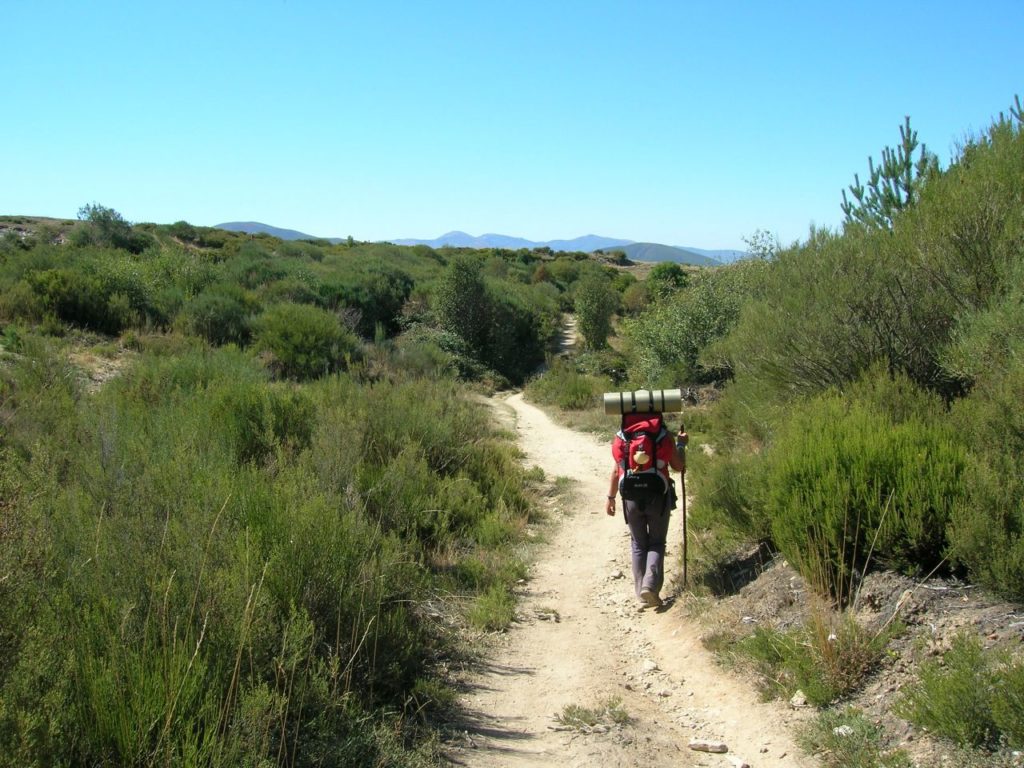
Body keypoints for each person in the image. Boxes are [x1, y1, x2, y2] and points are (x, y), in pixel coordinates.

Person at [605, 415, 687, 608]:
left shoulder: (622, 438)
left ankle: (641, 592)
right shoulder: (663, 436)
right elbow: (678, 466)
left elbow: (618, 471)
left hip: (631, 498)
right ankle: (650, 586)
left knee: (638, 544)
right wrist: (681, 445)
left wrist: (610, 498)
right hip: (658, 496)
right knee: (657, 542)